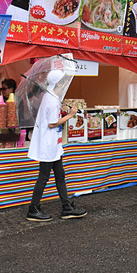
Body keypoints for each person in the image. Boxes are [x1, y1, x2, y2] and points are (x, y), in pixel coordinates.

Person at [26, 70, 86, 222]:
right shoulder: (52, 99)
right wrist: (70, 115)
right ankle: (33, 209)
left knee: (60, 175)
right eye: (64, 81)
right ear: (59, 83)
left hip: (53, 145)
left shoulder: (51, 97)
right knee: (44, 177)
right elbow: (52, 123)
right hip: (49, 145)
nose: (66, 83)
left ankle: (66, 207)